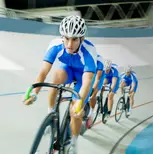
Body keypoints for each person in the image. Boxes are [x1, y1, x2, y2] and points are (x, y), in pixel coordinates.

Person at [23, 15, 97, 154]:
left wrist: (78, 103)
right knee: (55, 77)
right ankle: (51, 114)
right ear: (62, 36)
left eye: (74, 39)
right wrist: (34, 93)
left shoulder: (89, 51)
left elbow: (87, 82)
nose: (69, 44)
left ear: (82, 38)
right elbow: (43, 72)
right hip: (68, 69)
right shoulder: (55, 45)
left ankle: (73, 143)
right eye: (66, 38)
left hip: (83, 76)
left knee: (75, 112)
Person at [87, 54, 106, 125]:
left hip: (99, 76)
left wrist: (92, 89)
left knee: (93, 94)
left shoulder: (100, 62)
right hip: (90, 73)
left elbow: (97, 79)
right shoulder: (86, 58)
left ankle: (91, 111)